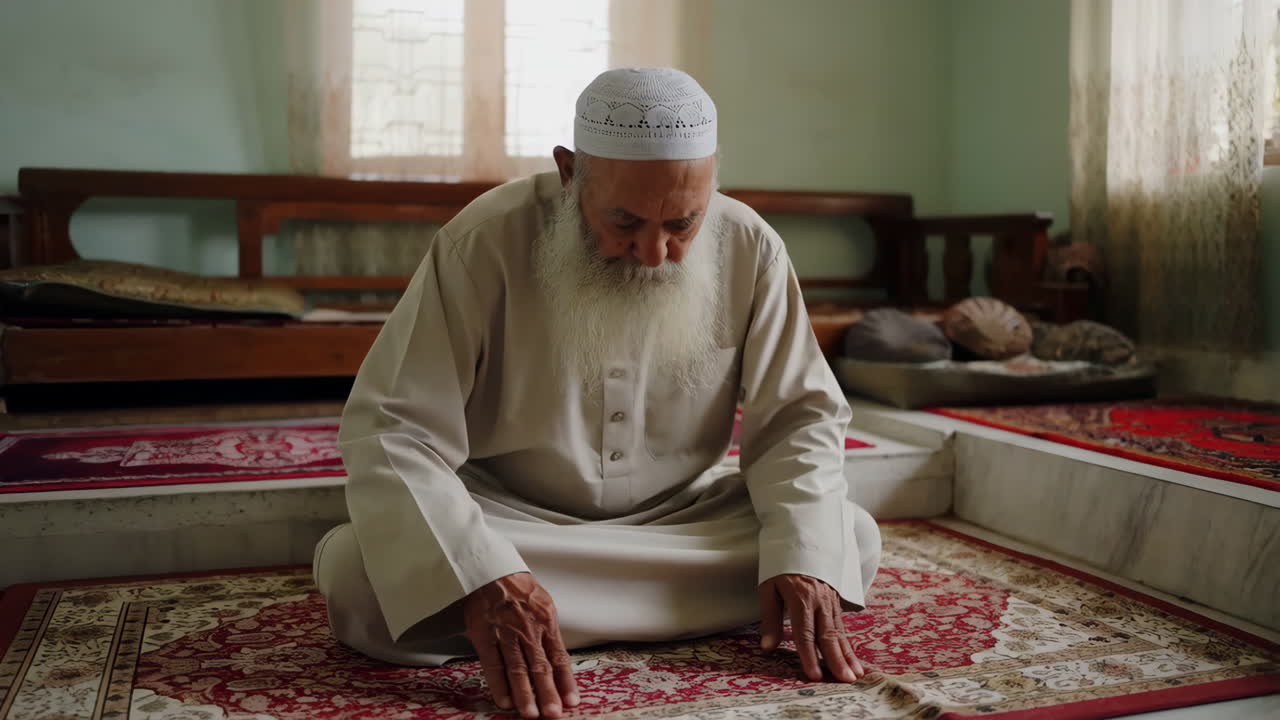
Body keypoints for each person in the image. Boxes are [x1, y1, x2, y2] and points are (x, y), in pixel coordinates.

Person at [314, 67, 881, 720]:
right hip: (512, 522)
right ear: (568, 172)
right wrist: (485, 574)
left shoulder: (751, 245)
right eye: (625, 221)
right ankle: (533, 604)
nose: (652, 252)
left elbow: (797, 420)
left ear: (714, 177)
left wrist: (803, 558)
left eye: (682, 224)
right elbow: (393, 428)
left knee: (847, 541)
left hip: (681, 522)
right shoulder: (482, 242)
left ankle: (544, 616)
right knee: (361, 582)